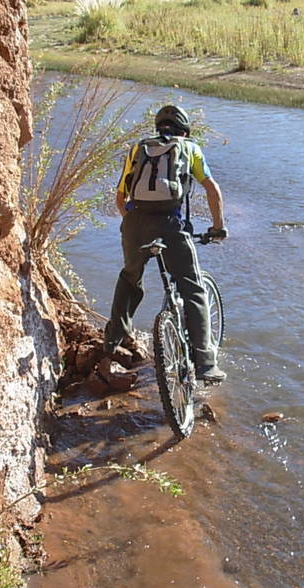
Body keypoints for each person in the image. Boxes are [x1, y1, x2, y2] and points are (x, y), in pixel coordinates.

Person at [101, 105, 228, 384]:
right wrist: (218, 228)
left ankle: (112, 342)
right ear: (185, 130)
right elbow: (211, 188)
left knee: (130, 278)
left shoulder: (138, 149)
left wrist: (133, 224)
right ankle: (206, 363)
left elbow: (120, 198)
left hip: (135, 224)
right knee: (192, 288)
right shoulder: (190, 148)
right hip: (170, 225)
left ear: (158, 127)